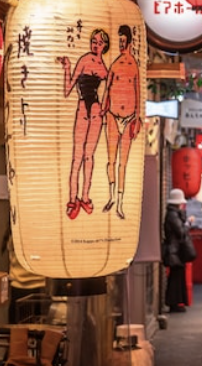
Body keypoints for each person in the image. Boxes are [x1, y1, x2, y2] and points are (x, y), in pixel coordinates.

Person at [58, 28, 109, 220]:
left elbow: (109, 92)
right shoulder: (84, 60)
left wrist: (106, 107)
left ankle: (85, 196)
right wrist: (67, 68)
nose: (96, 45)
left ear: (105, 46)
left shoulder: (105, 68)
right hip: (82, 108)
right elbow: (68, 88)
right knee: (77, 156)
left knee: (89, 156)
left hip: (96, 111)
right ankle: (73, 198)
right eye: (94, 41)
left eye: (100, 42)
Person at [101, 24, 141, 220]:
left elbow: (139, 93)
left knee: (123, 163)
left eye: (124, 42)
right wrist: (102, 111)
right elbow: (107, 89)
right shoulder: (115, 65)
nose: (121, 45)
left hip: (129, 117)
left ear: (130, 43)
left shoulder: (134, 66)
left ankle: (121, 202)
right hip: (112, 115)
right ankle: (110, 197)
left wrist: (138, 117)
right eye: (120, 42)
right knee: (111, 159)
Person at [162, 188, 191, 313]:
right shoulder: (173, 215)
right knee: (176, 277)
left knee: (177, 276)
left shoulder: (172, 214)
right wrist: (187, 223)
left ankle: (176, 302)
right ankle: (174, 302)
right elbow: (180, 231)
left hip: (175, 250)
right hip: (175, 251)